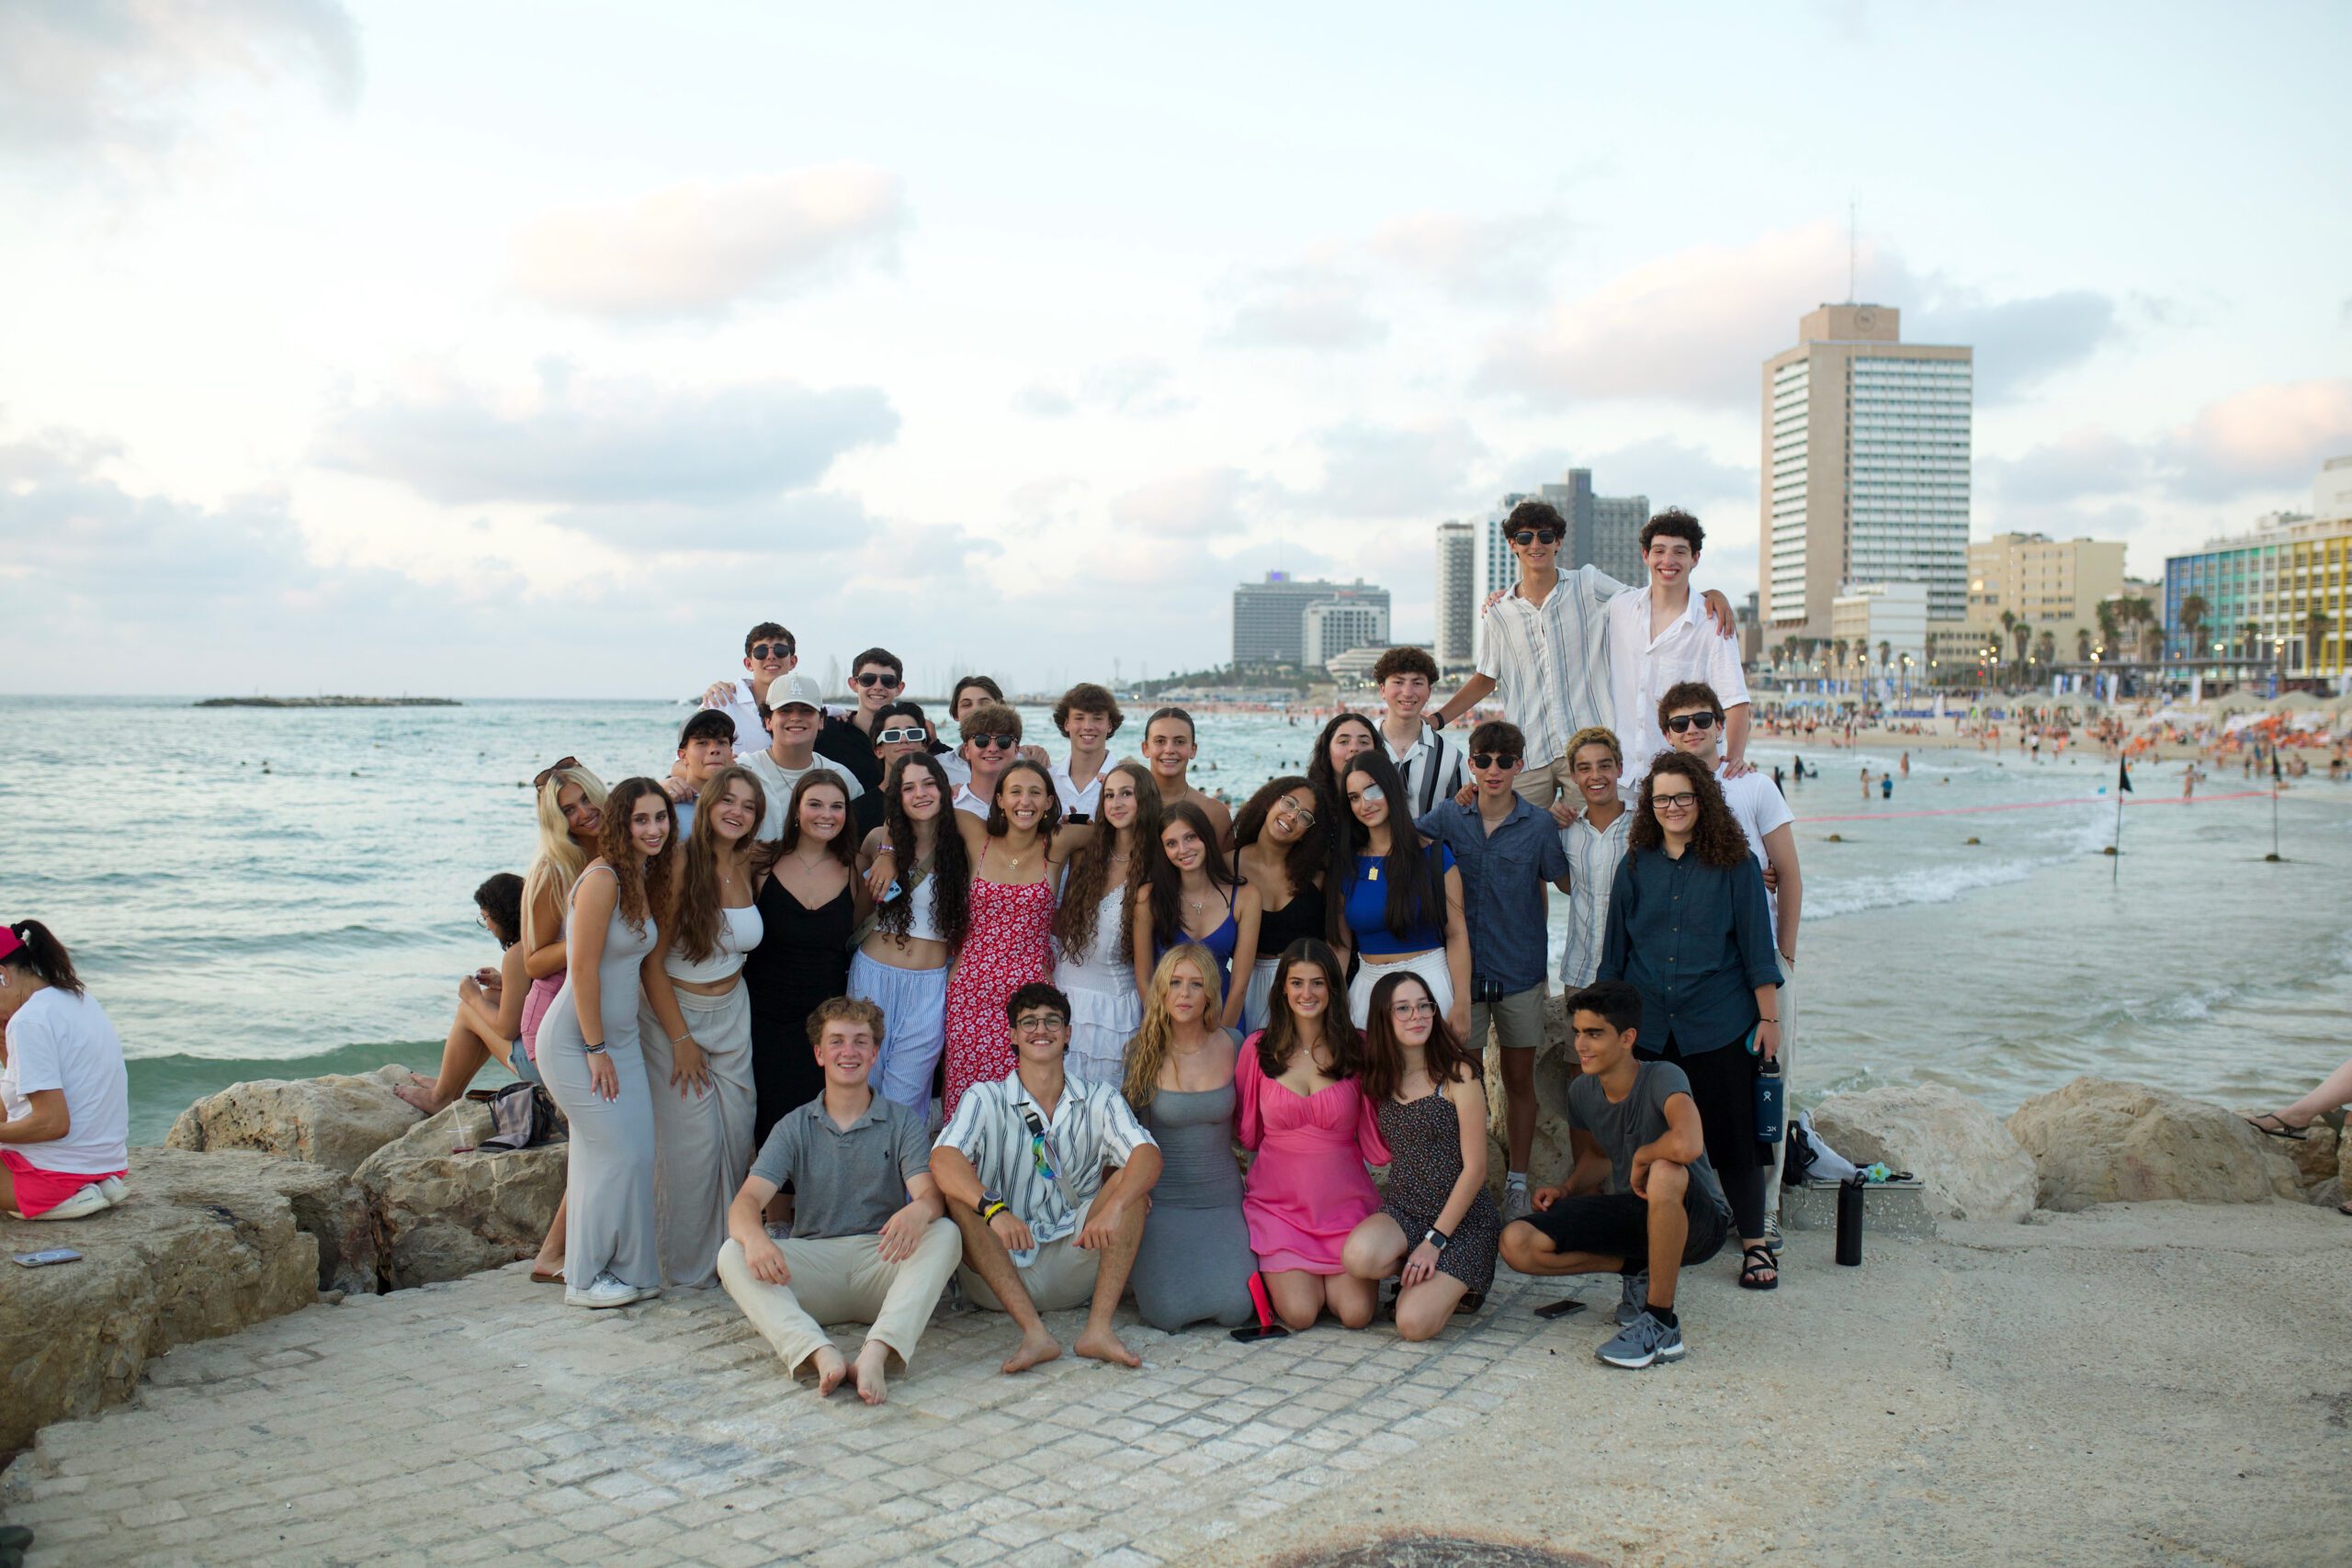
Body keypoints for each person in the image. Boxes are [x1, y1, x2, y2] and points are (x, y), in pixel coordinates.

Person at [715, 998, 961, 1404]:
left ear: (875, 1053)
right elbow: (746, 1202)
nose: (849, 1052)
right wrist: (756, 1238)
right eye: (837, 1042)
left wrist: (921, 1209)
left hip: (880, 1262)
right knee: (732, 1252)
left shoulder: (902, 1121)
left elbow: (928, 1194)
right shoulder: (794, 1126)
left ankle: (877, 1352)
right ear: (819, 1053)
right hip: (813, 1266)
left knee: (946, 1233)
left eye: (861, 1042)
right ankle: (816, 1350)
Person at [1598, 750, 1781, 1292]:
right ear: (1648, 807)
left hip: (1718, 1019)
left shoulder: (1738, 865)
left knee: (1735, 1137)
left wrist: (1768, 1018)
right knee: (1647, 1137)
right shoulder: (1634, 865)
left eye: (1682, 797)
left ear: (1702, 800)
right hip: (1649, 1024)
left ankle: (1753, 1243)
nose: (1672, 807)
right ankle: (1648, 1238)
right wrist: (1609, 1030)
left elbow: (1756, 948)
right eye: (1661, 799)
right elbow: (1615, 953)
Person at [1430, 498, 1733, 811]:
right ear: (1512, 544)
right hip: (1530, 751)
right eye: (1525, 537)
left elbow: (1650, 597)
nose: (1536, 544)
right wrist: (1437, 720)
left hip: (1589, 750)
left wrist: (1711, 595)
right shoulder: (1499, 612)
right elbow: (1484, 678)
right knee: (1517, 838)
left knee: (1591, 838)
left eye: (1546, 536)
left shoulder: (1588, 584)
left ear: (1558, 542)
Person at [1499, 980, 1734, 1370]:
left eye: (1594, 1034)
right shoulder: (1582, 1092)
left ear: (1627, 1038)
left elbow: (1688, 1143)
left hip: (1699, 1221)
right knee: (1517, 1242)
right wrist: (1567, 1187)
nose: (1581, 1045)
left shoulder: (1663, 1076)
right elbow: (1597, 1156)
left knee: (1664, 1171)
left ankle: (1661, 1324)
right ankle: (1636, 1269)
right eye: (1577, 1033)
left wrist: (1645, 1155)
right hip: (1635, 1213)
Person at [929, 983, 1160, 1373]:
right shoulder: (985, 1097)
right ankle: (1034, 1333)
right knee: (959, 1199)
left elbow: (1148, 1155)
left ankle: (1098, 1331)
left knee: (1133, 1187)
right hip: (998, 1267)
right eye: (1029, 1022)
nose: (1041, 1029)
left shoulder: (1099, 1097)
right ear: (1013, 1035)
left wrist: (1115, 1206)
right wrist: (994, 1209)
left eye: (1053, 1021)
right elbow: (943, 1159)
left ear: (1068, 1033)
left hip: (1075, 1255)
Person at [1413, 720, 1571, 1224]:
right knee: (1467, 1081)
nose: (1494, 769)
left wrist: (1580, 821)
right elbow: (1401, 844)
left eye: (1506, 760)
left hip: (1521, 969)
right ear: (1471, 764)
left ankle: (1520, 1181)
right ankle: (1471, 1182)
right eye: (1483, 760)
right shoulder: (1450, 816)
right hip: (1461, 975)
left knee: (1519, 1079)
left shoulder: (1540, 825)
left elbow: (1565, 880)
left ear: (1521, 765)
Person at [872, 758, 1084, 1120]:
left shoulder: (1058, 844)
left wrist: (1087, 815)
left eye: (1036, 793)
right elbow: (910, 812)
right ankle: (962, 1174)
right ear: (999, 799)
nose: (1025, 802)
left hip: (1030, 998)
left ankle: (1023, 1175)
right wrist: (888, 854)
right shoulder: (975, 833)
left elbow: (1119, 831)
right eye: (1015, 792)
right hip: (970, 995)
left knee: (1026, 1102)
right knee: (968, 1100)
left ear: (1050, 801)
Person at [535, 777, 676, 1309]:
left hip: (620, 1040)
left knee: (636, 1154)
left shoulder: (641, 876)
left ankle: (631, 1271)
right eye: (641, 820)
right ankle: (584, 1280)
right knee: (611, 1153)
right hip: (577, 1041)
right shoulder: (602, 880)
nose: (654, 828)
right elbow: (583, 968)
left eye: (660, 817)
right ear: (621, 823)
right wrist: (596, 1050)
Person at [1657, 685, 1803, 1195]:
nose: (1691, 729)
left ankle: (1766, 1208)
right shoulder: (1662, 790)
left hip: (1758, 963)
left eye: (1702, 718)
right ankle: (1712, 1199)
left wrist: (1785, 954)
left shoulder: (1754, 785)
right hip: (1700, 970)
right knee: (1712, 1089)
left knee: (1768, 1082)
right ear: (1666, 734)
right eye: (1679, 722)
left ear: (1721, 724)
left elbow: (1788, 874)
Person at [637, 766, 768, 1287]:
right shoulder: (677, 865)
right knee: (689, 1147)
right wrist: (681, 1041)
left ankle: (727, 1258)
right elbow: (651, 963)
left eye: (749, 805)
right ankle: (681, 1270)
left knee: (737, 1139)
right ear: (709, 803)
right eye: (728, 801)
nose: (737, 812)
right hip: (677, 1016)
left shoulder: (752, 862)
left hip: (735, 1011)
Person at [1236, 940, 1388, 1332]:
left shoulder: (1358, 1048)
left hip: (1344, 1210)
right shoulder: (1257, 1049)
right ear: (1283, 989)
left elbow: (1377, 1133)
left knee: (1356, 1315)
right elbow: (1247, 1133)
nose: (1307, 993)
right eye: (1297, 983)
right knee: (1300, 1315)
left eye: (1318, 983)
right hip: (1280, 1209)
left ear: (1333, 988)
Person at [1341, 970, 1499, 1340]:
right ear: (1383, 1017)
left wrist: (1435, 1242)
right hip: (1405, 1211)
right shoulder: (1381, 1078)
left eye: (1424, 1005)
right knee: (1358, 1257)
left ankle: (1458, 1279)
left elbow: (1476, 1169)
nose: (1418, 1015)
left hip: (1462, 1223)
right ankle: (1421, 1270)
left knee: (1412, 1326)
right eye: (1403, 1008)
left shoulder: (1458, 1074)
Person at [1123, 946, 1260, 1331]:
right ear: (1161, 991)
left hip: (1222, 1202)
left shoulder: (1234, 1044)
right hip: (1164, 1204)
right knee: (1167, 1313)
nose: (1184, 994)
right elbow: (1128, 1135)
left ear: (1210, 993)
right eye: (1175, 983)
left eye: (1195, 984)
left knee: (1237, 1308)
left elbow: (1251, 1124)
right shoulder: (1141, 1051)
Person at [515, 758, 609, 1280]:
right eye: (567, 810)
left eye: (585, 800)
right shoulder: (555, 867)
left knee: (609, 1133)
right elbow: (532, 960)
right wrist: (589, 937)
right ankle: (553, 1253)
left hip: (599, 1011)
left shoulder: (623, 848)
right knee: (600, 1135)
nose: (581, 814)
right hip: (555, 1018)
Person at [742, 770, 863, 1147]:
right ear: (796, 809)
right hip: (764, 1020)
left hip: (824, 1024)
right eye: (815, 804)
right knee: (769, 1124)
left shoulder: (854, 869)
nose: (826, 814)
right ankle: (774, 1209)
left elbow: (854, 934)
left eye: (836, 806)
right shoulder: (761, 862)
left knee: (819, 1128)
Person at [849, 752, 972, 1114]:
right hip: (871, 977)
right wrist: (886, 855)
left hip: (929, 987)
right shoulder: (877, 841)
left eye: (929, 783)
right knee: (861, 1089)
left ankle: (903, 1171)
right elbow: (859, 914)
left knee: (905, 1098)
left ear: (944, 789)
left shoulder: (963, 846)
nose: (920, 793)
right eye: (908, 787)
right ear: (897, 797)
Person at [1606, 509, 1751, 790]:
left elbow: (1736, 701)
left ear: (1695, 558)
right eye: (1659, 551)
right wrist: (1502, 596)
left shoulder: (1712, 624)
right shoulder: (1619, 608)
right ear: (1645, 555)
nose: (1668, 561)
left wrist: (1733, 763)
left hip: (1682, 783)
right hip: (1621, 779)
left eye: (1680, 552)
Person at [0, 921, 129, 1223]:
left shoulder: (28, 1021)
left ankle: (62, 1200)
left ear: (2, 976)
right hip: (102, 1166)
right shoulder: (77, 999)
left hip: (50, 1178)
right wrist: (8, 1056)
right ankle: (94, 1188)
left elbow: (53, 1123)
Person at [1337, 750, 1470, 1035]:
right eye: (1354, 797)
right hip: (1366, 993)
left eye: (1372, 790)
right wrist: (1333, 1004)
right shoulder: (1347, 863)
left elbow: (1457, 933)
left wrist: (1462, 1003)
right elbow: (1341, 944)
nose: (1364, 804)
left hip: (1429, 988)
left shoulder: (1434, 855)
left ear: (1392, 788)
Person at [1051, 761, 1159, 1085]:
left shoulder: (1154, 869)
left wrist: (1155, 1033)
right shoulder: (1086, 854)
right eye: (1109, 795)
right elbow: (1061, 927)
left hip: (1113, 1013)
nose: (1116, 803)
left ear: (1146, 799)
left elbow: (1144, 973)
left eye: (1127, 793)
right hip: (1063, 995)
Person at [393, 874, 534, 1114]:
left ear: (502, 914)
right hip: (555, 1051)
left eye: (486, 917)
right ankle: (449, 1087)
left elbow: (506, 1030)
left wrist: (472, 997)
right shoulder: (539, 940)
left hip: (536, 1063)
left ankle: (440, 1097)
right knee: (491, 997)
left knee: (469, 1010)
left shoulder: (516, 955)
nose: (487, 925)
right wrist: (505, 982)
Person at [1133, 801, 1259, 1027]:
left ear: (1205, 837)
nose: (1183, 849)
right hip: (1166, 1019)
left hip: (1223, 1015)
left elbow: (1241, 983)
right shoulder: (1149, 897)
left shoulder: (1245, 897)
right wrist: (1162, 1028)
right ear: (1163, 850)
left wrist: (1224, 1037)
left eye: (1190, 837)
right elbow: (1144, 977)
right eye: (1171, 843)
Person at [1231, 777, 1335, 1032]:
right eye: (1289, 804)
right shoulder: (1226, 867)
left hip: (1304, 989)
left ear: (1307, 834)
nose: (1291, 817)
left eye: (1304, 817)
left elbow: (1335, 941)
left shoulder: (1317, 878)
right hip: (1245, 986)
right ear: (1269, 803)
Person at [743, 673, 866, 840]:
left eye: (806, 711)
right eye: (785, 710)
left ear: (821, 721)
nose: (795, 717)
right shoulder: (743, 771)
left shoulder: (842, 777)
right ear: (768, 721)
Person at [1372, 647, 1468, 818]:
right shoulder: (1361, 746)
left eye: (1417, 683)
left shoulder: (1452, 757)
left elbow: (1462, 820)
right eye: (1398, 682)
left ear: (1429, 691)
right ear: (1382, 689)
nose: (1408, 693)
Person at [1140, 706, 1234, 851]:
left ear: (1193, 749)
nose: (1169, 750)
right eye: (1160, 741)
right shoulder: (1124, 805)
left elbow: (1226, 871)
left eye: (1179, 742)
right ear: (1145, 748)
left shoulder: (1214, 813)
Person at [703, 621, 800, 756]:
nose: (771, 656)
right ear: (749, 664)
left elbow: (824, 710)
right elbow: (683, 762)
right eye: (761, 651)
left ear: (793, 662)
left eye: (780, 650)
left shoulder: (805, 707)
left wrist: (840, 713)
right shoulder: (721, 702)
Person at [1049, 682, 1122, 820]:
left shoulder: (1127, 781)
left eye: (1097, 718)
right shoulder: (1049, 779)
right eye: (1079, 718)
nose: (1088, 726)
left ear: (1110, 725)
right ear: (1066, 724)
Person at [661, 710, 739, 835]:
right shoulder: (668, 807)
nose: (714, 750)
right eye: (702, 743)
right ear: (683, 756)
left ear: (731, 752)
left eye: (722, 742)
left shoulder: (743, 804)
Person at [951, 702, 1023, 818]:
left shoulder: (1031, 806)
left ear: (1016, 750)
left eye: (1003, 741)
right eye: (981, 740)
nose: (993, 749)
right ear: (967, 750)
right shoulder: (947, 805)